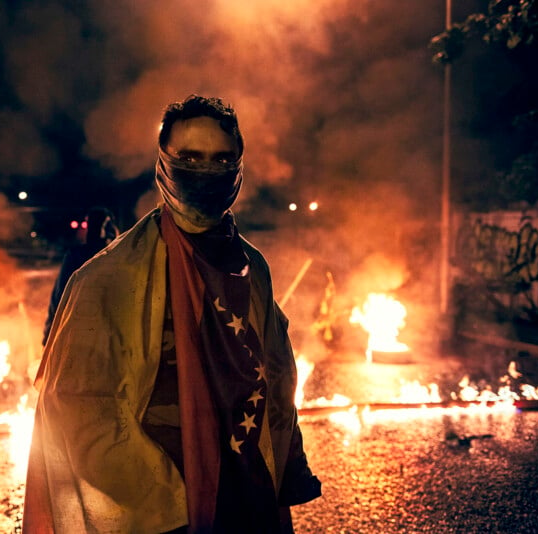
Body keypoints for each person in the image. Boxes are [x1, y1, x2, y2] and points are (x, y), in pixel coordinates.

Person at [24, 95, 321, 533]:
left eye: (222, 159)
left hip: (245, 496)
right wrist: (168, 502)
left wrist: (284, 473)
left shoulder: (251, 268)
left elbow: (275, 380)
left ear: (239, 166)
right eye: (190, 158)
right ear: (164, 164)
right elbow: (81, 410)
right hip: (160, 517)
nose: (206, 171)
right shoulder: (108, 279)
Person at [42, 206, 118, 344]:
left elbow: (60, 296)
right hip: (108, 336)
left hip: (78, 332)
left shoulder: (77, 255)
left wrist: (49, 333)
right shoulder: (119, 256)